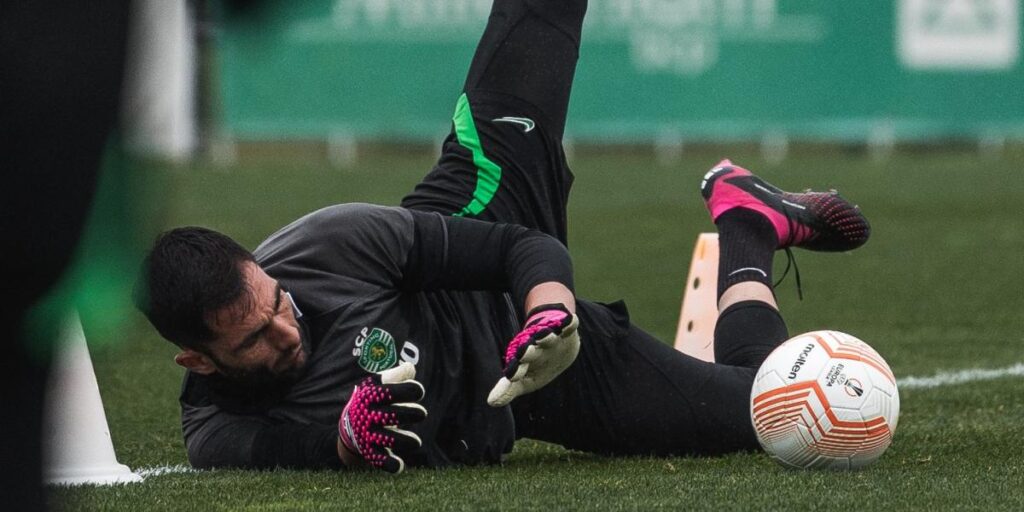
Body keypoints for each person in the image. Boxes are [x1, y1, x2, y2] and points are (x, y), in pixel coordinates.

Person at [134, 0, 870, 474]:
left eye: (276, 304)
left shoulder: (330, 244)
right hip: (531, 395)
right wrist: (345, 445)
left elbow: (522, 248)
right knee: (772, 418)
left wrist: (548, 317)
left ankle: (730, 224)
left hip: (491, 212)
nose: (283, 331)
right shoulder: (216, 431)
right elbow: (300, 453)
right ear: (197, 359)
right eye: (253, 340)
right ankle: (746, 225)